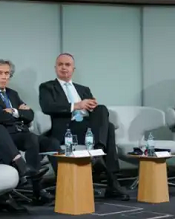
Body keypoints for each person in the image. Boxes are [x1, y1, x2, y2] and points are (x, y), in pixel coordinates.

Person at [38, 53, 128, 200]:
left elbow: (94, 111)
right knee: (110, 128)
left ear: (73, 69)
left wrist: (91, 106)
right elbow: (47, 107)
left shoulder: (83, 89)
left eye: (67, 65)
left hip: (87, 128)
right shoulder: (47, 87)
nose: (64, 67)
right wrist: (77, 105)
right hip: (67, 129)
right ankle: (112, 181)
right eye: (60, 64)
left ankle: (98, 151)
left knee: (102, 110)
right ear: (55, 68)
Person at [0, 59, 58, 205]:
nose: (4, 76)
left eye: (7, 73)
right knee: (31, 139)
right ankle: (37, 189)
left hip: (20, 132)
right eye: (0, 73)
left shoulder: (13, 94)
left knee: (52, 143)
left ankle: (63, 184)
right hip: (3, 135)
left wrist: (14, 111)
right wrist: (20, 114)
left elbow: (30, 115)